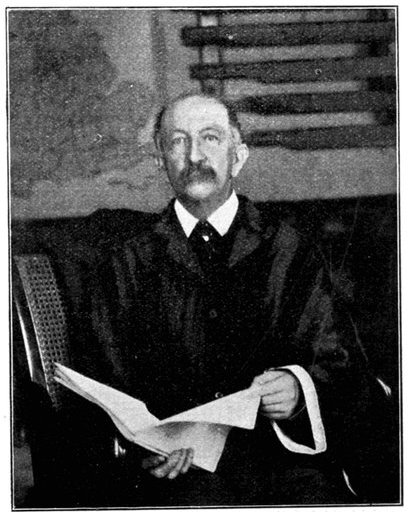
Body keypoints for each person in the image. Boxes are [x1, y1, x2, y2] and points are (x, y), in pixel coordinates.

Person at [68, 93, 395, 506]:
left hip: (282, 464)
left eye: (210, 138)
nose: (194, 156)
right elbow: (100, 379)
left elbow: (338, 360)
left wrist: (298, 389)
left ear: (238, 157)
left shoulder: (290, 248)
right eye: (177, 142)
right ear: (160, 160)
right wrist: (144, 444)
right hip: (175, 474)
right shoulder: (127, 261)